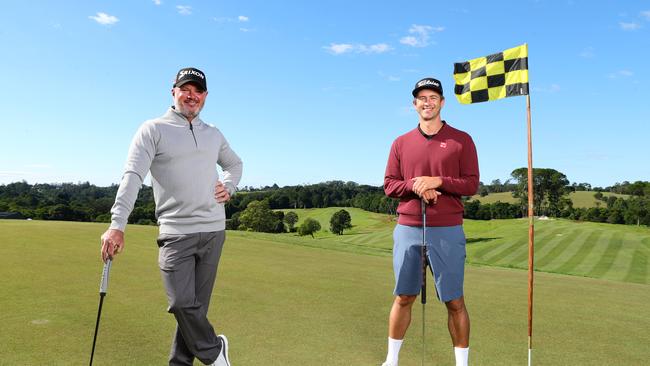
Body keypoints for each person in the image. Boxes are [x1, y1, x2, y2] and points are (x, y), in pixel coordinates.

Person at [100, 67, 242, 366]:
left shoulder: (213, 133)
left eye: (198, 91)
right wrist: (117, 225)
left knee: (195, 310)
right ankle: (216, 353)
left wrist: (228, 186)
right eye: (185, 89)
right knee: (181, 303)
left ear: (204, 96)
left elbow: (234, 164)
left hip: (214, 230)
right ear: (173, 91)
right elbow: (133, 175)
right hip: (176, 232)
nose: (192, 96)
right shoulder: (153, 129)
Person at [382, 77, 479, 366]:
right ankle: (391, 361)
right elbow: (390, 185)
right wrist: (416, 185)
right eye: (422, 98)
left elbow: (471, 184)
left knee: (454, 300)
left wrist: (439, 181)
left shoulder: (462, 140)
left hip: (447, 228)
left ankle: (462, 364)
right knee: (403, 296)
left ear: (442, 102)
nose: (427, 102)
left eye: (433, 97)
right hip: (408, 228)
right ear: (414, 105)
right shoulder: (400, 143)